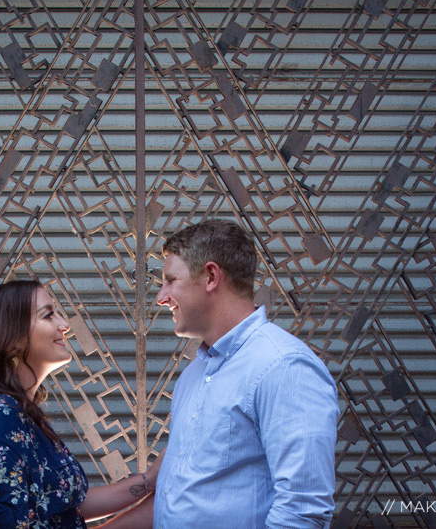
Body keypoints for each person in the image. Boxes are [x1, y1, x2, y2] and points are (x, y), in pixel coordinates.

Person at [103, 218, 339, 529]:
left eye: (170, 280)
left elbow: (302, 510)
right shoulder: (195, 373)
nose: (161, 297)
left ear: (211, 276)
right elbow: (174, 500)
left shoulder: (284, 367)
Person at [0, 279, 159, 528]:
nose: (65, 325)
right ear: (11, 337)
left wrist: (150, 481)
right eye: (48, 315)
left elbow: (65, 508)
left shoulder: (18, 412)